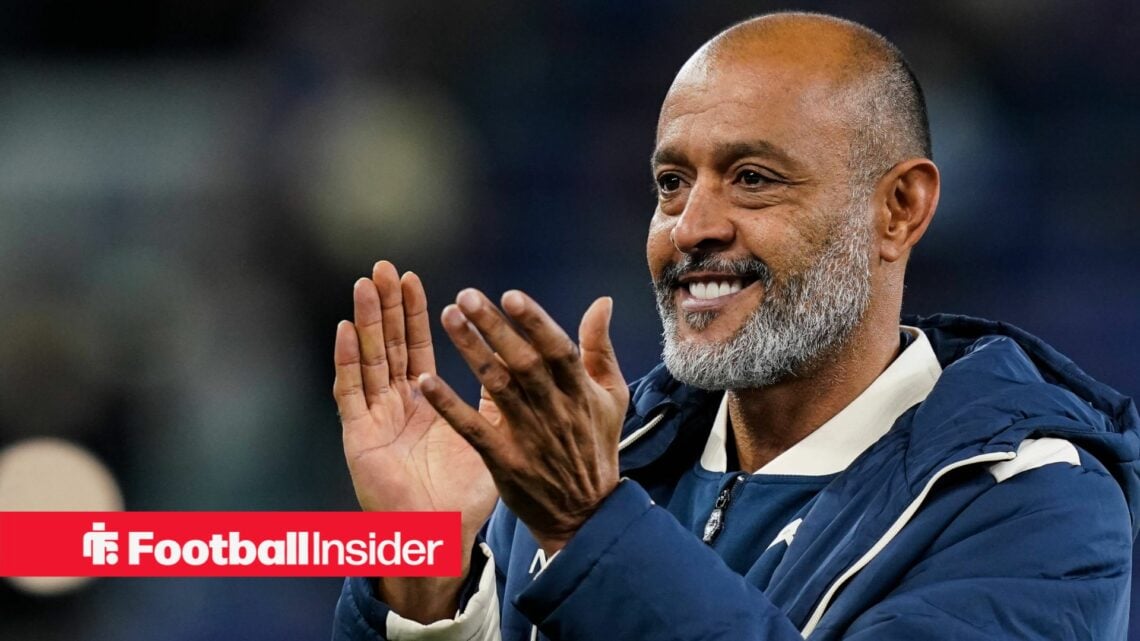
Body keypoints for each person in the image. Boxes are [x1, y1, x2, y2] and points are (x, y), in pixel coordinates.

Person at [330, 11, 1138, 641]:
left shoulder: (1040, 505)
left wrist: (591, 529)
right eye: (671, 182)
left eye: (752, 179)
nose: (691, 226)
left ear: (899, 208)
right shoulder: (584, 463)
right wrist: (425, 578)